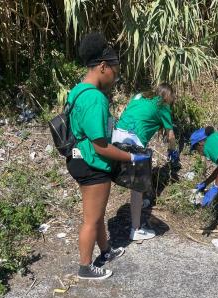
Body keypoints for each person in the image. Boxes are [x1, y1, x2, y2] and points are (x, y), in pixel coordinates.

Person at [66, 32, 150, 280]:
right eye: (115, 70)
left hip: (79, 159)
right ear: (103, 67)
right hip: (93, 164)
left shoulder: (78, 91)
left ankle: (105, 251)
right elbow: (102, 146)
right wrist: (133, 159)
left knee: (98, 214)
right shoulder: (95, 98)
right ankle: (84, 267)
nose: (116, 76)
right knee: (91, 219)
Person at [112, 83, 179, 241]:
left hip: (116, 135)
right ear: (168, 96)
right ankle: (135, 230)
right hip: (133, 141)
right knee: (138, 185)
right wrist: (173, 152)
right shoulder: (163, 105)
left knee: (112, 174)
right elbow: (171, 136)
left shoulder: (140, 95)